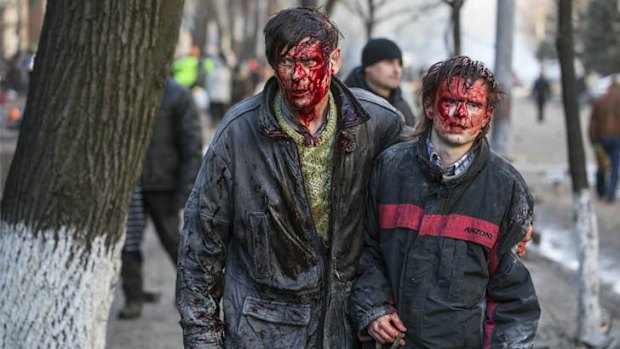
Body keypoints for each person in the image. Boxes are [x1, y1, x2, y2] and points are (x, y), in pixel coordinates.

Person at [175, 7, 404, 348]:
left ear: (335, 60)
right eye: (286, 62)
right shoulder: (238, 134)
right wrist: (204, 341)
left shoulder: (379, 124)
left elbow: (429, 181)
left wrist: (507, 209)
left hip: (349, 330)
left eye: (311, 62)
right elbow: (200, 250)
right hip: (263, 332)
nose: (298, 76)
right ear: (272, 64)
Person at [348, 56, 540, 348]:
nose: (461, 113)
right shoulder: (389, 169)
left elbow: (513, 300)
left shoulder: (506, 188)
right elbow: (366, 253)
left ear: (488, 115)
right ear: (428, 106)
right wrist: (372, 309)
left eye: (474, 105)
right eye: (450, 100)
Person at [118, 77, 203, 319]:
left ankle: (191, 295)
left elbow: (191, 144)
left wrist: (185, 188)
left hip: (163, 184)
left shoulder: (177, 94)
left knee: (175, 243)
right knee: (129, 243)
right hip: (131, 184)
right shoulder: (125, 89)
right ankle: (133, 297)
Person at [345, 38, 416, 127]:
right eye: (389, 63)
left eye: (400, 64)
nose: (397, 70)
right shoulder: (347, 103)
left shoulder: (402, 106)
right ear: (368, 66)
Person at [589, 76, 620, 202]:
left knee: (601, 165)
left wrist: (592, 138)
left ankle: (600, 190)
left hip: (601, 137)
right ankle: (610, 193)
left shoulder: (599, 100)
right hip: (617, 137)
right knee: (614, 166)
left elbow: (593, 121)